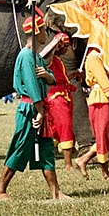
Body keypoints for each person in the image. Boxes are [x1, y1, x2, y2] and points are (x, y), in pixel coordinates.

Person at [0, 14, 70, 200]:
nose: (46, 34)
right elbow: (31, 86)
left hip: (39, 109)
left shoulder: (36, 56)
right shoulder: (26, 56)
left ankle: (56, 192)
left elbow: (50, 76)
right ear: (36, 32)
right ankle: (0, 189)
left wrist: (47, 75)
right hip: (30, 110)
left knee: (45, 149)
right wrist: (40, 112)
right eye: (43, 30)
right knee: (21, 147)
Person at [75, 46, 109, 180]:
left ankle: (83, 159)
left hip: (106, 99)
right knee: (102, 136)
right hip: (100, 100)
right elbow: (102, 80)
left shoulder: (101, 58)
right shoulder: (93, 57)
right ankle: (105, 174)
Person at [41, 33, 78, 171]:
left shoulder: (58, 60)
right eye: (66, 46)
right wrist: (55, 44)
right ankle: (68, 165)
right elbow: (43, 57)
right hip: (56, 98)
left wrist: (73, 76)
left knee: (59, 128)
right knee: (65, 127)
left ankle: (54, 154)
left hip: (64, 95)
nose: (67, 50)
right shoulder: (50, 58)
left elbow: (60, 78)